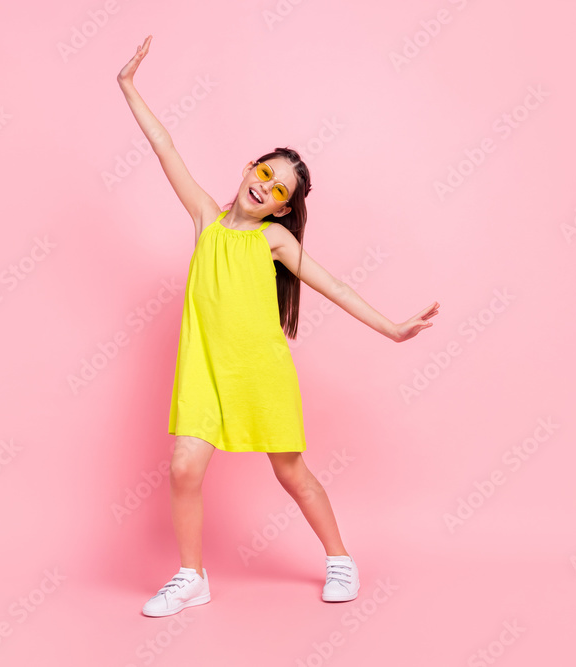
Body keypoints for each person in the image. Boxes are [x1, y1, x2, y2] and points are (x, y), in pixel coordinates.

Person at [117, 35, 440, 618]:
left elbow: (335, 286)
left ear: (282, 208)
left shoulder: (273, 240)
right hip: (204, 372)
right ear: (249, 167)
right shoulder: (205, 217)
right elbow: (165, 146)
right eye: (264, 172)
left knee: (291, 472)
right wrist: (128, 86)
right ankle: (191, 577)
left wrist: (392, 329)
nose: (265, 185)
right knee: (183, 467)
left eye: (279, 189)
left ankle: (340, 558)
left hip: (260, 374)